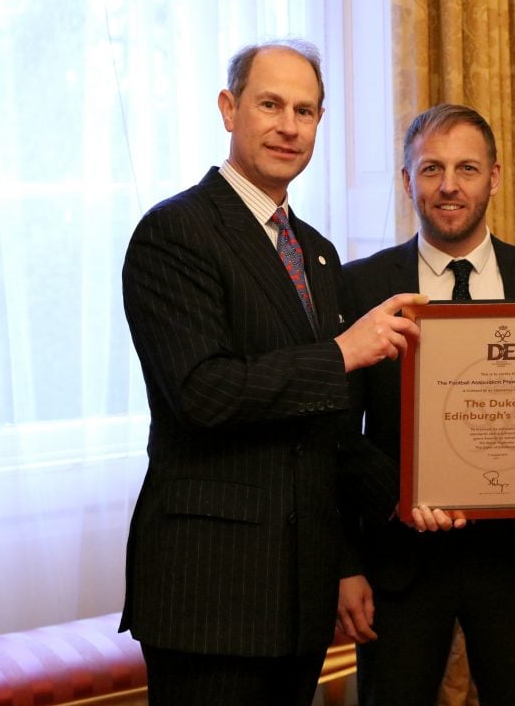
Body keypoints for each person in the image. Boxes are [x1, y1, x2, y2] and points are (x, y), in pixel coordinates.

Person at [120, 39, 426, 706]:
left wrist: (421, 490)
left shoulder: (314, 252)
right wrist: (343, 352)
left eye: (306, 110)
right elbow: (203, 391)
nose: (289, 125)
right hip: (211, 591)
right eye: (270, 104)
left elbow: (331, 430)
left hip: (300, 591)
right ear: (230, 109)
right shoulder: (174, 233)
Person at [339, 103, 515, 706]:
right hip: (398, 565)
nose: (448, 185)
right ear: (407, 181)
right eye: (431, 169)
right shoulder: (361, 287)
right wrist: (345, 566)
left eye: (466, 168)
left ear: (495, 178)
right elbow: (340, 439)